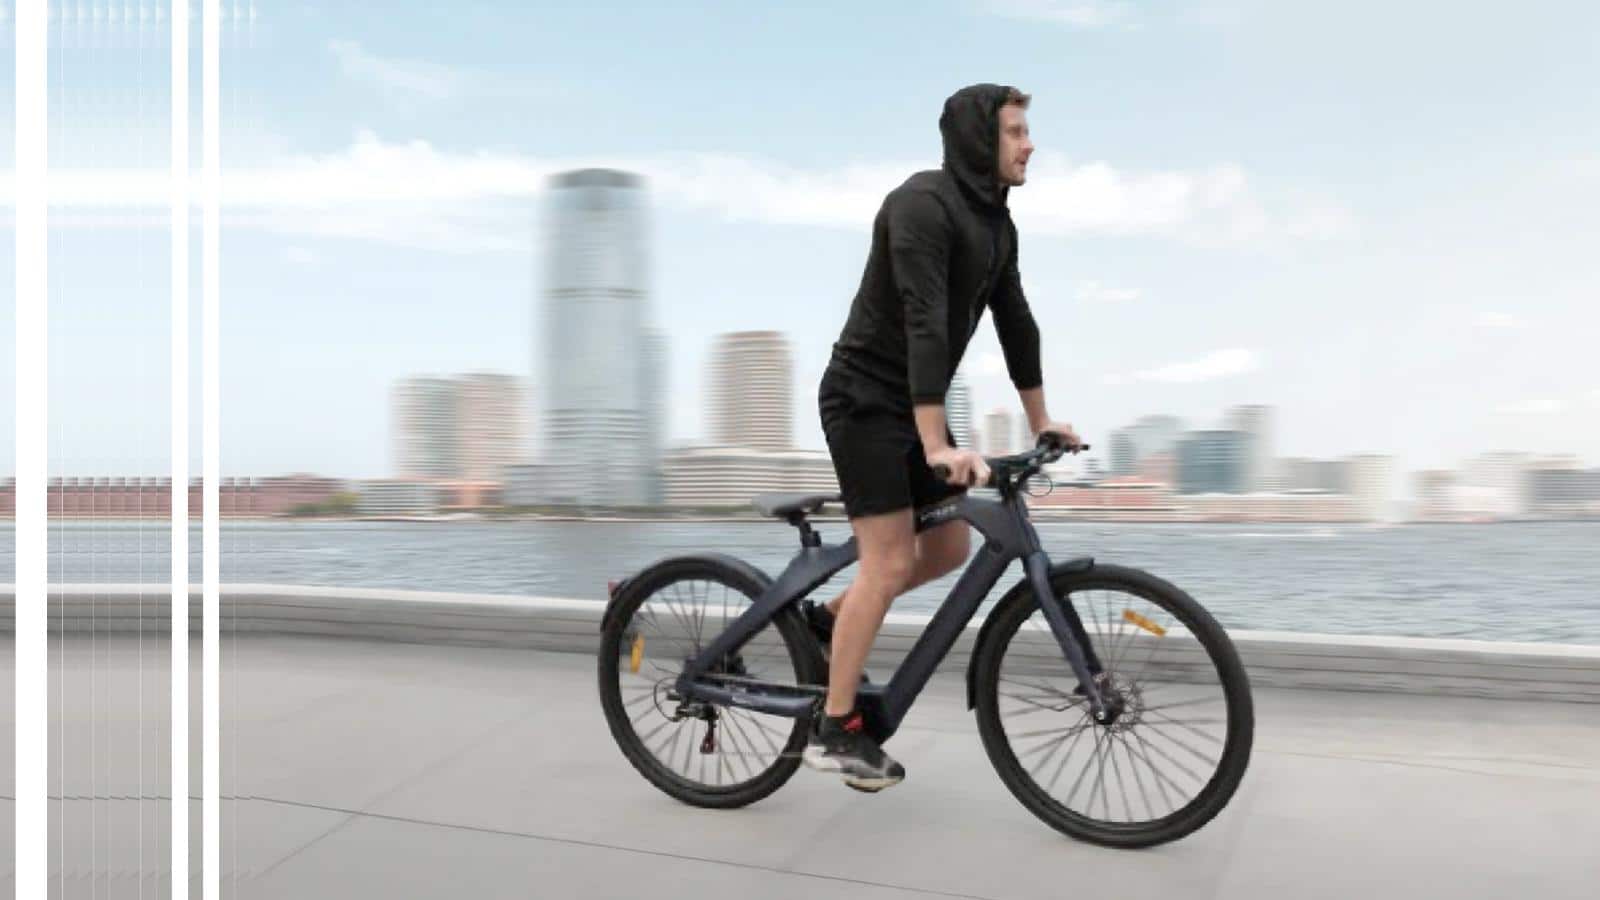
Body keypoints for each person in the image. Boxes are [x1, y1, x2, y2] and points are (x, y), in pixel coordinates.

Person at [801, 83, 1081, 791]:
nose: (1029, 143)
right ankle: (835, 731)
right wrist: (935, 442)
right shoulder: (920, 206)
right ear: (978, 140)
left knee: (951, 544)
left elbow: (1016, 322)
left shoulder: (997, 226)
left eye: (1026, 130)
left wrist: (1041, 418)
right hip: (864, 399)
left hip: (911, 402)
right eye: (1016, 131)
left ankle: (828, 622)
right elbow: (925, 319)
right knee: (889, 564)